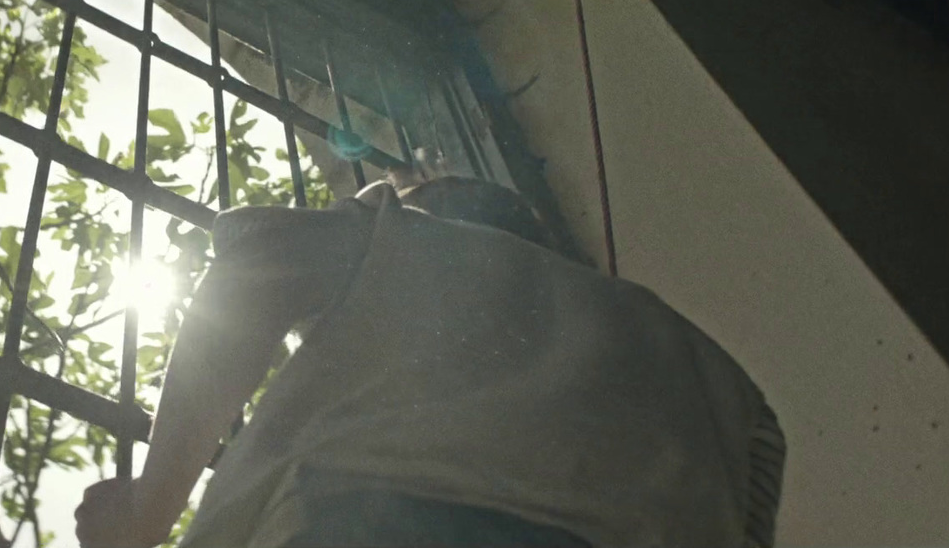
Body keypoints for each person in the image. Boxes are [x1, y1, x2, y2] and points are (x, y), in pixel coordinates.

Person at [75, 175, 785, 547]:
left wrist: (143, 512)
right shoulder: (734, 388)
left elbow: (257, 268)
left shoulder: (415, 239)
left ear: (435, 210)